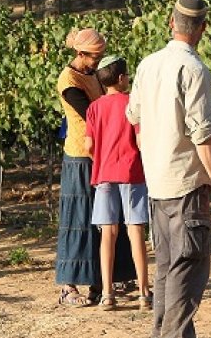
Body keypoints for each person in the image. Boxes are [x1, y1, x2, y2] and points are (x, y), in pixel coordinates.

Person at [126, 0, 211, 338]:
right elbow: (202, 134)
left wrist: (149, 149)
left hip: (157, 184)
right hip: (187, 185)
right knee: (186, 273)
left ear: (171, 23)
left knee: (167, 271)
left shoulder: (147, 65)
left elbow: (134, 116)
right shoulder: (195, 70)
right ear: (203, 28)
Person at [54, 28, 137, 306]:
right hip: (80, 156)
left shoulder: (92, 74)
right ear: (80, 54)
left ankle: (102, 282)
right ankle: (68, 286)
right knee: (78, 219)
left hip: (101, 155)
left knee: (105, 218)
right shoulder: (68, 80)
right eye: (95, 57)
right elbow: (92, 113)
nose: (98, 62)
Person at [84, 55, 152, 311]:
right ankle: (144, 293)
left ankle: (107, 293)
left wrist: (102, 160)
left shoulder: (94, 108)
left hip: (104, 175)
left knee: (108, 234)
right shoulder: (133, 104)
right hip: (132, 173)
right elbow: (141, 141)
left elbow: (89, 145)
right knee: (136, 231)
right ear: (122, 78)